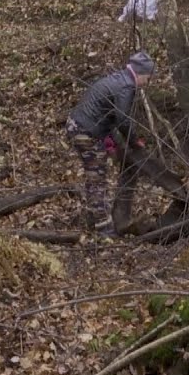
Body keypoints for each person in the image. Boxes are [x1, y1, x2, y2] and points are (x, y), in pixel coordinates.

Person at [65, 51, 155, 236]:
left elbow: (109, 117)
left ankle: (93, 217)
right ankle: (104, 228)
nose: (147, 83)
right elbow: (122, 120)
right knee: (98, 177)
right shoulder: (127, 87)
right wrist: (134, 143)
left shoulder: (119, 79)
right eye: (147, 78)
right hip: (86, 132)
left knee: (94, 175)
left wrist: (111, 143)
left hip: (79, 126)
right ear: (140, 73)